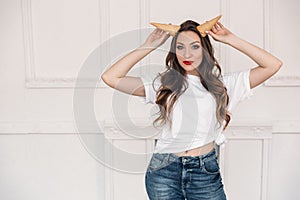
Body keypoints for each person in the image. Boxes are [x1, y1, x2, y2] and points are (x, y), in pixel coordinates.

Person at [101, 16, 282, 200]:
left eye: (195, 46)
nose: (187, 54)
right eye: (180, 47)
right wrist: (148, 45)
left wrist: (230, 38)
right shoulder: (164, 84)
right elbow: (111, 77)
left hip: (204, 171)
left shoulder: (223, 85)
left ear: (204, 49)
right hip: (164, 171)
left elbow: (272, 65)